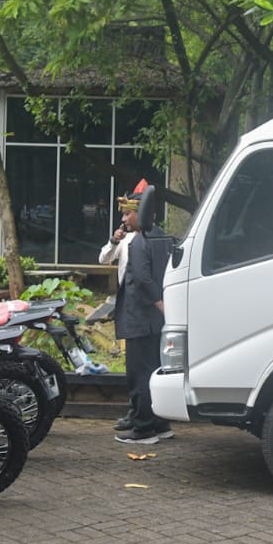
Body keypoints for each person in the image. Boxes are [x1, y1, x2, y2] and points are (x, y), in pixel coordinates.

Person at [113, 187, 172, 445]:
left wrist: (158, 302)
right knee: (156, 370)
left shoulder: (138, 242)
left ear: (141, 213)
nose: (124, 220)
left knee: (139, 375)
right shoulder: (165, 238)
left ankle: (143, 429)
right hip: (157, 321)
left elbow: (142, 277)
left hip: (139, 317)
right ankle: (161, 424)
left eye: (127, 214)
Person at [100, 196, 139, 431]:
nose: (123, 219)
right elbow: (103, 259)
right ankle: (136, 410)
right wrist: (114, 241)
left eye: (127, 214)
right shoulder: (123, 239)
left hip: (147, 307)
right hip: (129, 305)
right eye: (122, 214)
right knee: (133, 364)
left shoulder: (150, 239)